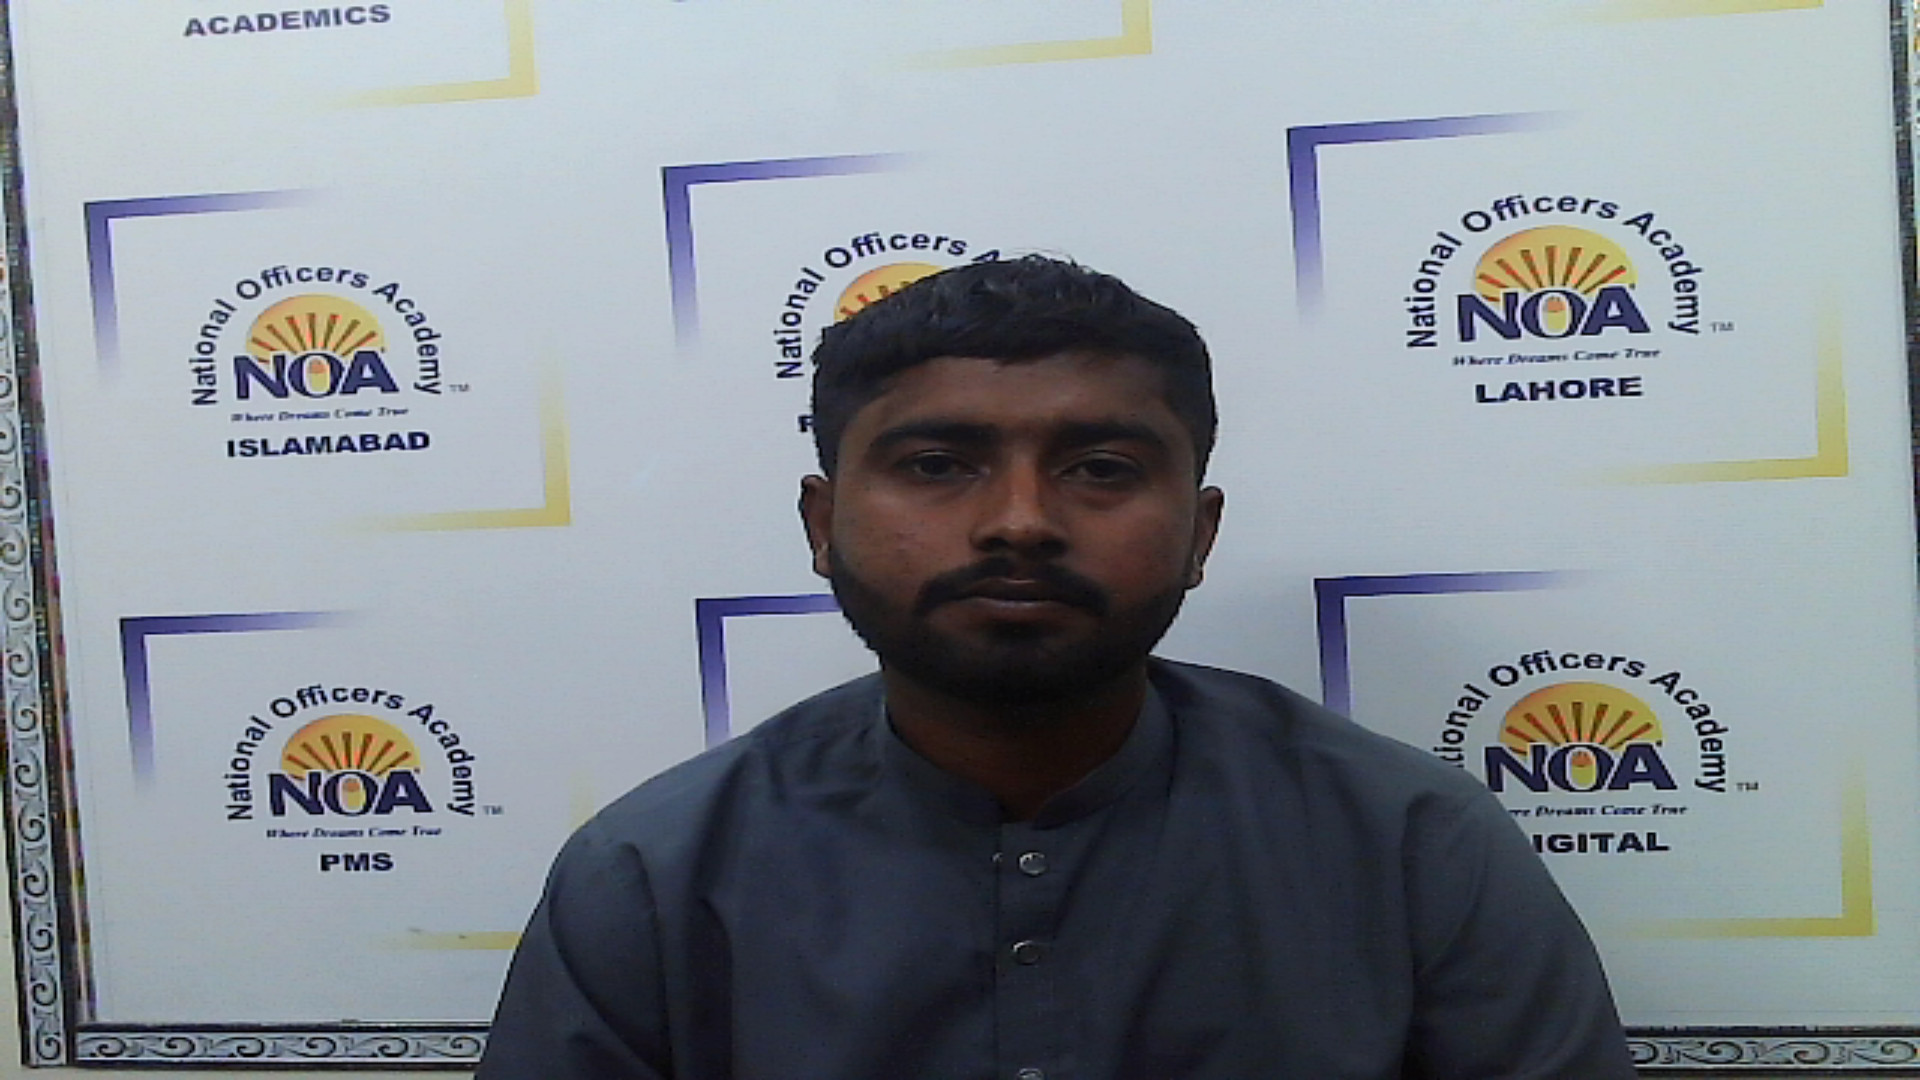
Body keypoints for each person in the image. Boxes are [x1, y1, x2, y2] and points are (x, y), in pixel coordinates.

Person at [477, 256, 1637, 1079]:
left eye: (1100, 469)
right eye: (939, 465)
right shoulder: (653, 876)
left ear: (1200, 533)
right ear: (823, 525)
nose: (1020, 522)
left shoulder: (1411, 845)